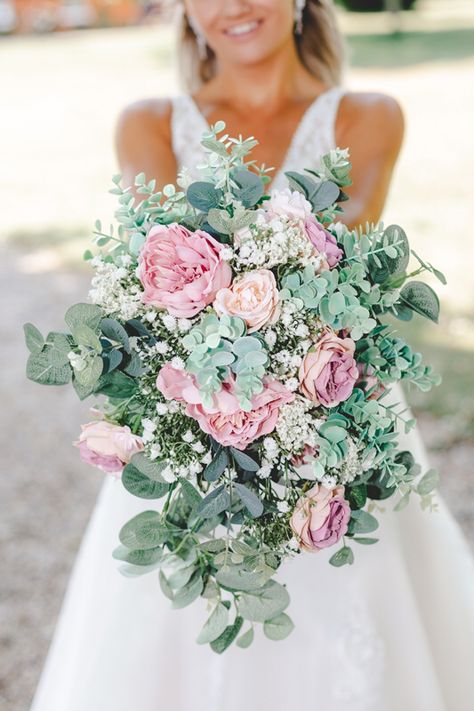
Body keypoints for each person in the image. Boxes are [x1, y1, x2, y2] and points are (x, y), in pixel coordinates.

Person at [30, 2, 474, 710]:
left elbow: (335, 275)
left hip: (333, 424)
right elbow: (147, 279)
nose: (234, 5)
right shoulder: (147, 124)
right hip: (193, 430)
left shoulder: (369, 115)